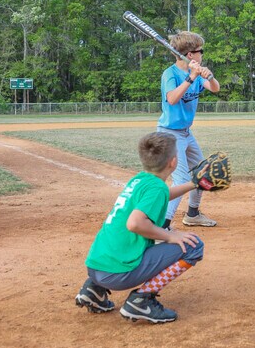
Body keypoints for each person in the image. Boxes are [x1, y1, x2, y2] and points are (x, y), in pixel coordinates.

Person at [75, 132, 204, 323]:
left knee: (122, 239)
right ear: (174, 162)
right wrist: (170, 236)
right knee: (194, 246)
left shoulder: (140, 180)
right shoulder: (156, 188)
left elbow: (160, 195)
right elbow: (135, 223)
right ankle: (141, 300)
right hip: (117, 274)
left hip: (96, 267)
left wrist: (194, 184)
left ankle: (94, 290)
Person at [158, 31, 220, 228]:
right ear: (190, 55)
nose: (203, 54)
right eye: (200, 51)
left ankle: (192, 214)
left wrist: (209, 77)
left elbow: (215, 88)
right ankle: (164, 225)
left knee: (202, 171)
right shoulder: (170, 74)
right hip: (169, 133)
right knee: (182, 179)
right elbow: (172, 99)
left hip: (186, 132)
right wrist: (191, 77)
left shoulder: (196, 72)